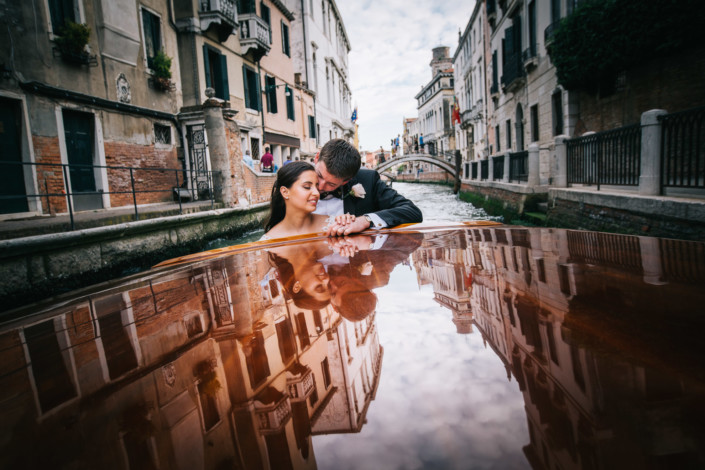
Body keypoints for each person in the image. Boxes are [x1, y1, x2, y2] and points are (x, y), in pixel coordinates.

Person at [313, 138, 422, 236]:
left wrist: (366, 220)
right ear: (317, 158)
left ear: (346, 181)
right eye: (319, 175)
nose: (320, 186)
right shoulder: (296, 178)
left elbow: (412, 212)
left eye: (331, 184)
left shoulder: (368, 181)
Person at [261, 161, 331, 240]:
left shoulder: (334, 225)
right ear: (285, 192)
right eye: (307, 187)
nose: (317, 193)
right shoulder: (269, 241)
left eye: (317, 187)